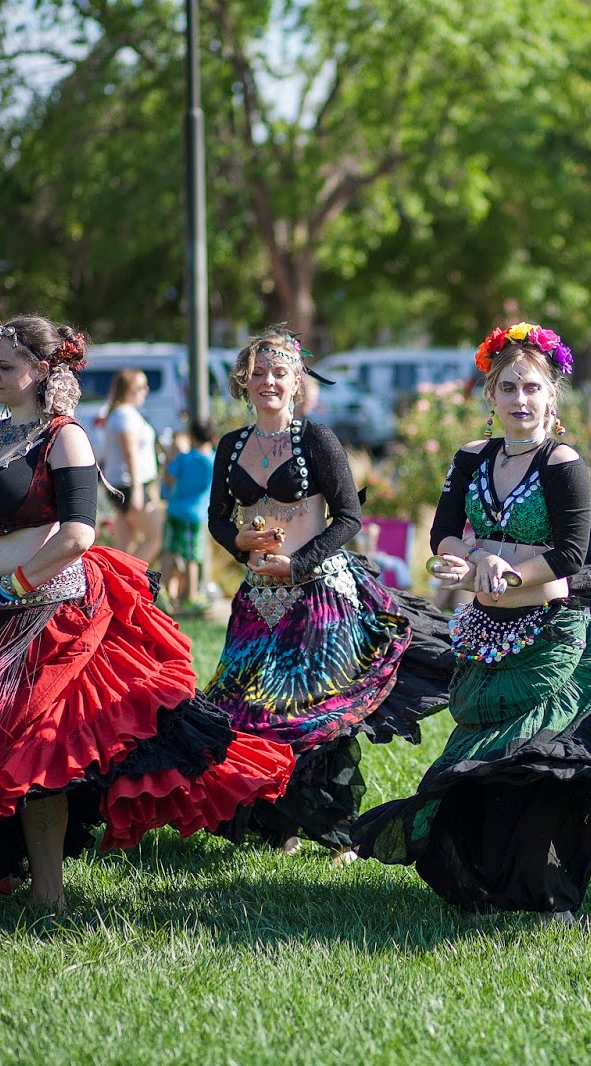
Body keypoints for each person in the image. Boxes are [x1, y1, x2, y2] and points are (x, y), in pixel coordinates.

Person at [0, 315, 294, 910]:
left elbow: (79, 533)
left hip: (50, 616)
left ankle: (49, 899)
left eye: (5, 367)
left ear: (41, 371)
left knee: (36, 749)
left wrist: (6, 590)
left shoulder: (67, 438)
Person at [353, 322, 591, 919]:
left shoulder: (563, 461)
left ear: (552, 394)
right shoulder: (472, 457)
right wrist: (464, 559)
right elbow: (443, 529)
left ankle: (545, 889)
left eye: (531, 387)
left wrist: (503, 569)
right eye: (507, 388)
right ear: (490, 396)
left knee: (535, 766)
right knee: (477, 770)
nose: (519, 400)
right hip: (484, 636)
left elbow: (570, 554)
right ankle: (485, 884)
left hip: (549, 635)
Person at [202, 327, 437, 865]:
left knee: (316, 711)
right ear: (243, 379)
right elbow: (218, 517)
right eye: (259, 373)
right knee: (251, 712)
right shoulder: (230, 445)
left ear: (297, 381)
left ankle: (339, 833)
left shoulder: (317, 440)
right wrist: (239, 546)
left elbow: (349, 517)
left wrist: (300, 562)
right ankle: (279, 825)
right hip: (259, 597)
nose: (268, 382)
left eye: (279, 373)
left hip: (318, 591)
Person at [102, 368, 162, 561]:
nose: (146, 390)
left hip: (124, 485)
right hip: (129, 485)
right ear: (127, 389)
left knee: (122, 546)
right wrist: (137, 491)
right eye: (140, 387)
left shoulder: (125, 413)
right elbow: (130, 453)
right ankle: (132, 581)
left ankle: (116, 585)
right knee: (157, 535)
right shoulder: (124, 415)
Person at [158, 420, 215, 614]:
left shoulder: (185, 458)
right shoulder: (213, 460)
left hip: (175, 509)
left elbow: (168, 479)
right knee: (192, 556)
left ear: (192, 436)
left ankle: (163, 592)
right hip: (196, 514)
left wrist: (170, 456)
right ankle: (190, 596)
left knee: (169, 550)